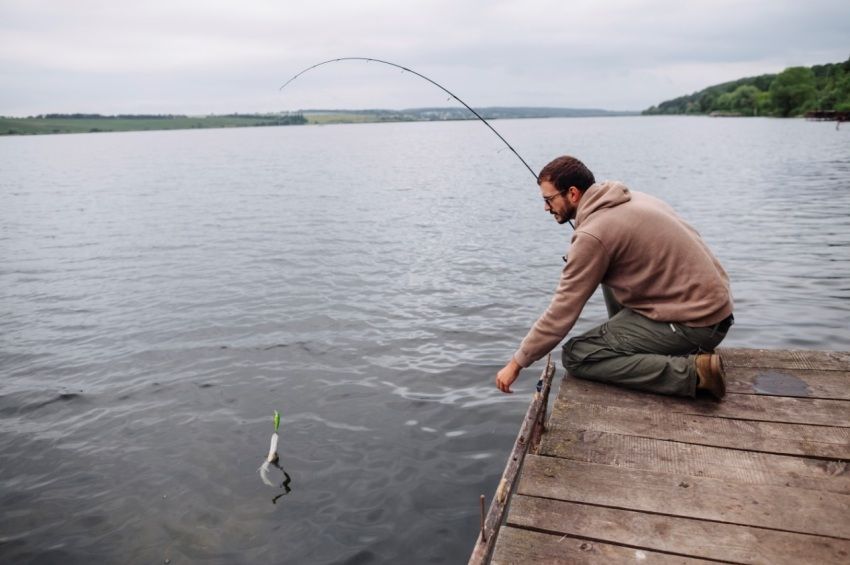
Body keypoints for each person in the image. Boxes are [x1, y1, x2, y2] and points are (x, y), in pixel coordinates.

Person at [495, 155, 733, 400]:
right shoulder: (628, 197)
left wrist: (516, 363)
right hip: (714, 308)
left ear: (573, 193)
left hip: (698, 325)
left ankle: (695, 374)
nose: (546, 207)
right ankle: (638, 347)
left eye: (549, 199)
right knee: (608, 273)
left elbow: (561, 312)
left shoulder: (594, 235)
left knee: (577, 355)